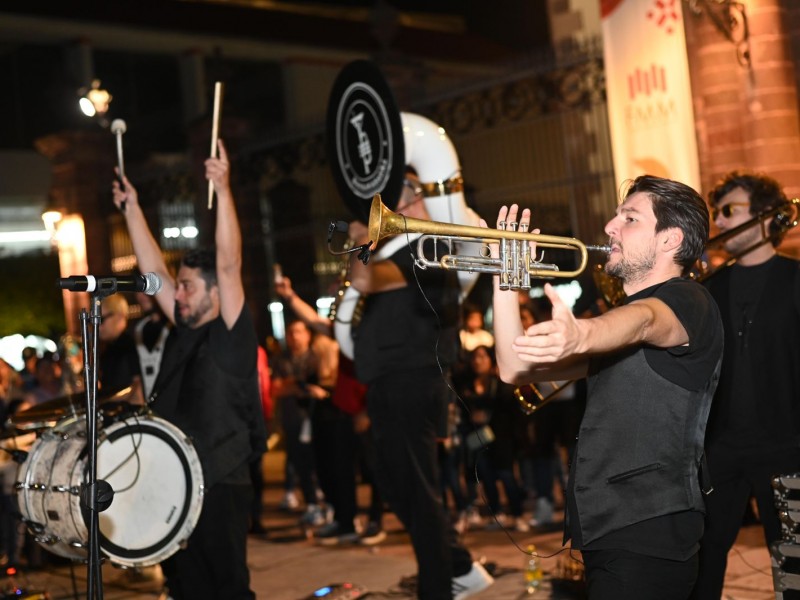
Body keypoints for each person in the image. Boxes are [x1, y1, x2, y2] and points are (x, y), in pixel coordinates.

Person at [491, 174, 724, 599]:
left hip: (649, 529)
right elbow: (513, 367)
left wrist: (583, 333)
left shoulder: (690, 300)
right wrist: (505, 275)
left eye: (629, 219)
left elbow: (647, 319)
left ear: (670, 239)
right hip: (610, 529)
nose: (609, 228)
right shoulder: (616, 324)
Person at [112, 139, 266, 600]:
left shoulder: (232, 331)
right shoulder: (184, 326)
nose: (175, 295)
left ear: (215, 293)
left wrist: (223, 186)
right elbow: (154, 269)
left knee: (229, 587)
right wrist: (132, 210)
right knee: (188, 587)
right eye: (178, 288)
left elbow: (230, 262)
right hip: (179, 479)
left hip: (222, 481)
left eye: (187, 287)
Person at [348, 167, 493, 599]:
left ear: (424, 197)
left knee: (420, 489)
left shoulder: (428, 246)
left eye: (405, 190)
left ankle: (438, 587)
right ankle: (461, 567)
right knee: (397, 484)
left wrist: (360, 239)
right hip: (390, 381)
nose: (394, 199)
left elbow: (364, 279)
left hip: (412, 380)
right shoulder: (402, 246)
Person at [691, 172, 800, 599]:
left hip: (788, 446)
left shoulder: (795, 278)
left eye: (728, 210)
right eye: (716, 212)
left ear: (764, 216)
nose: (718, 220)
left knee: (792, 560)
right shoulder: (709, 288)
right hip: (721, 448)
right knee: (704, 554)